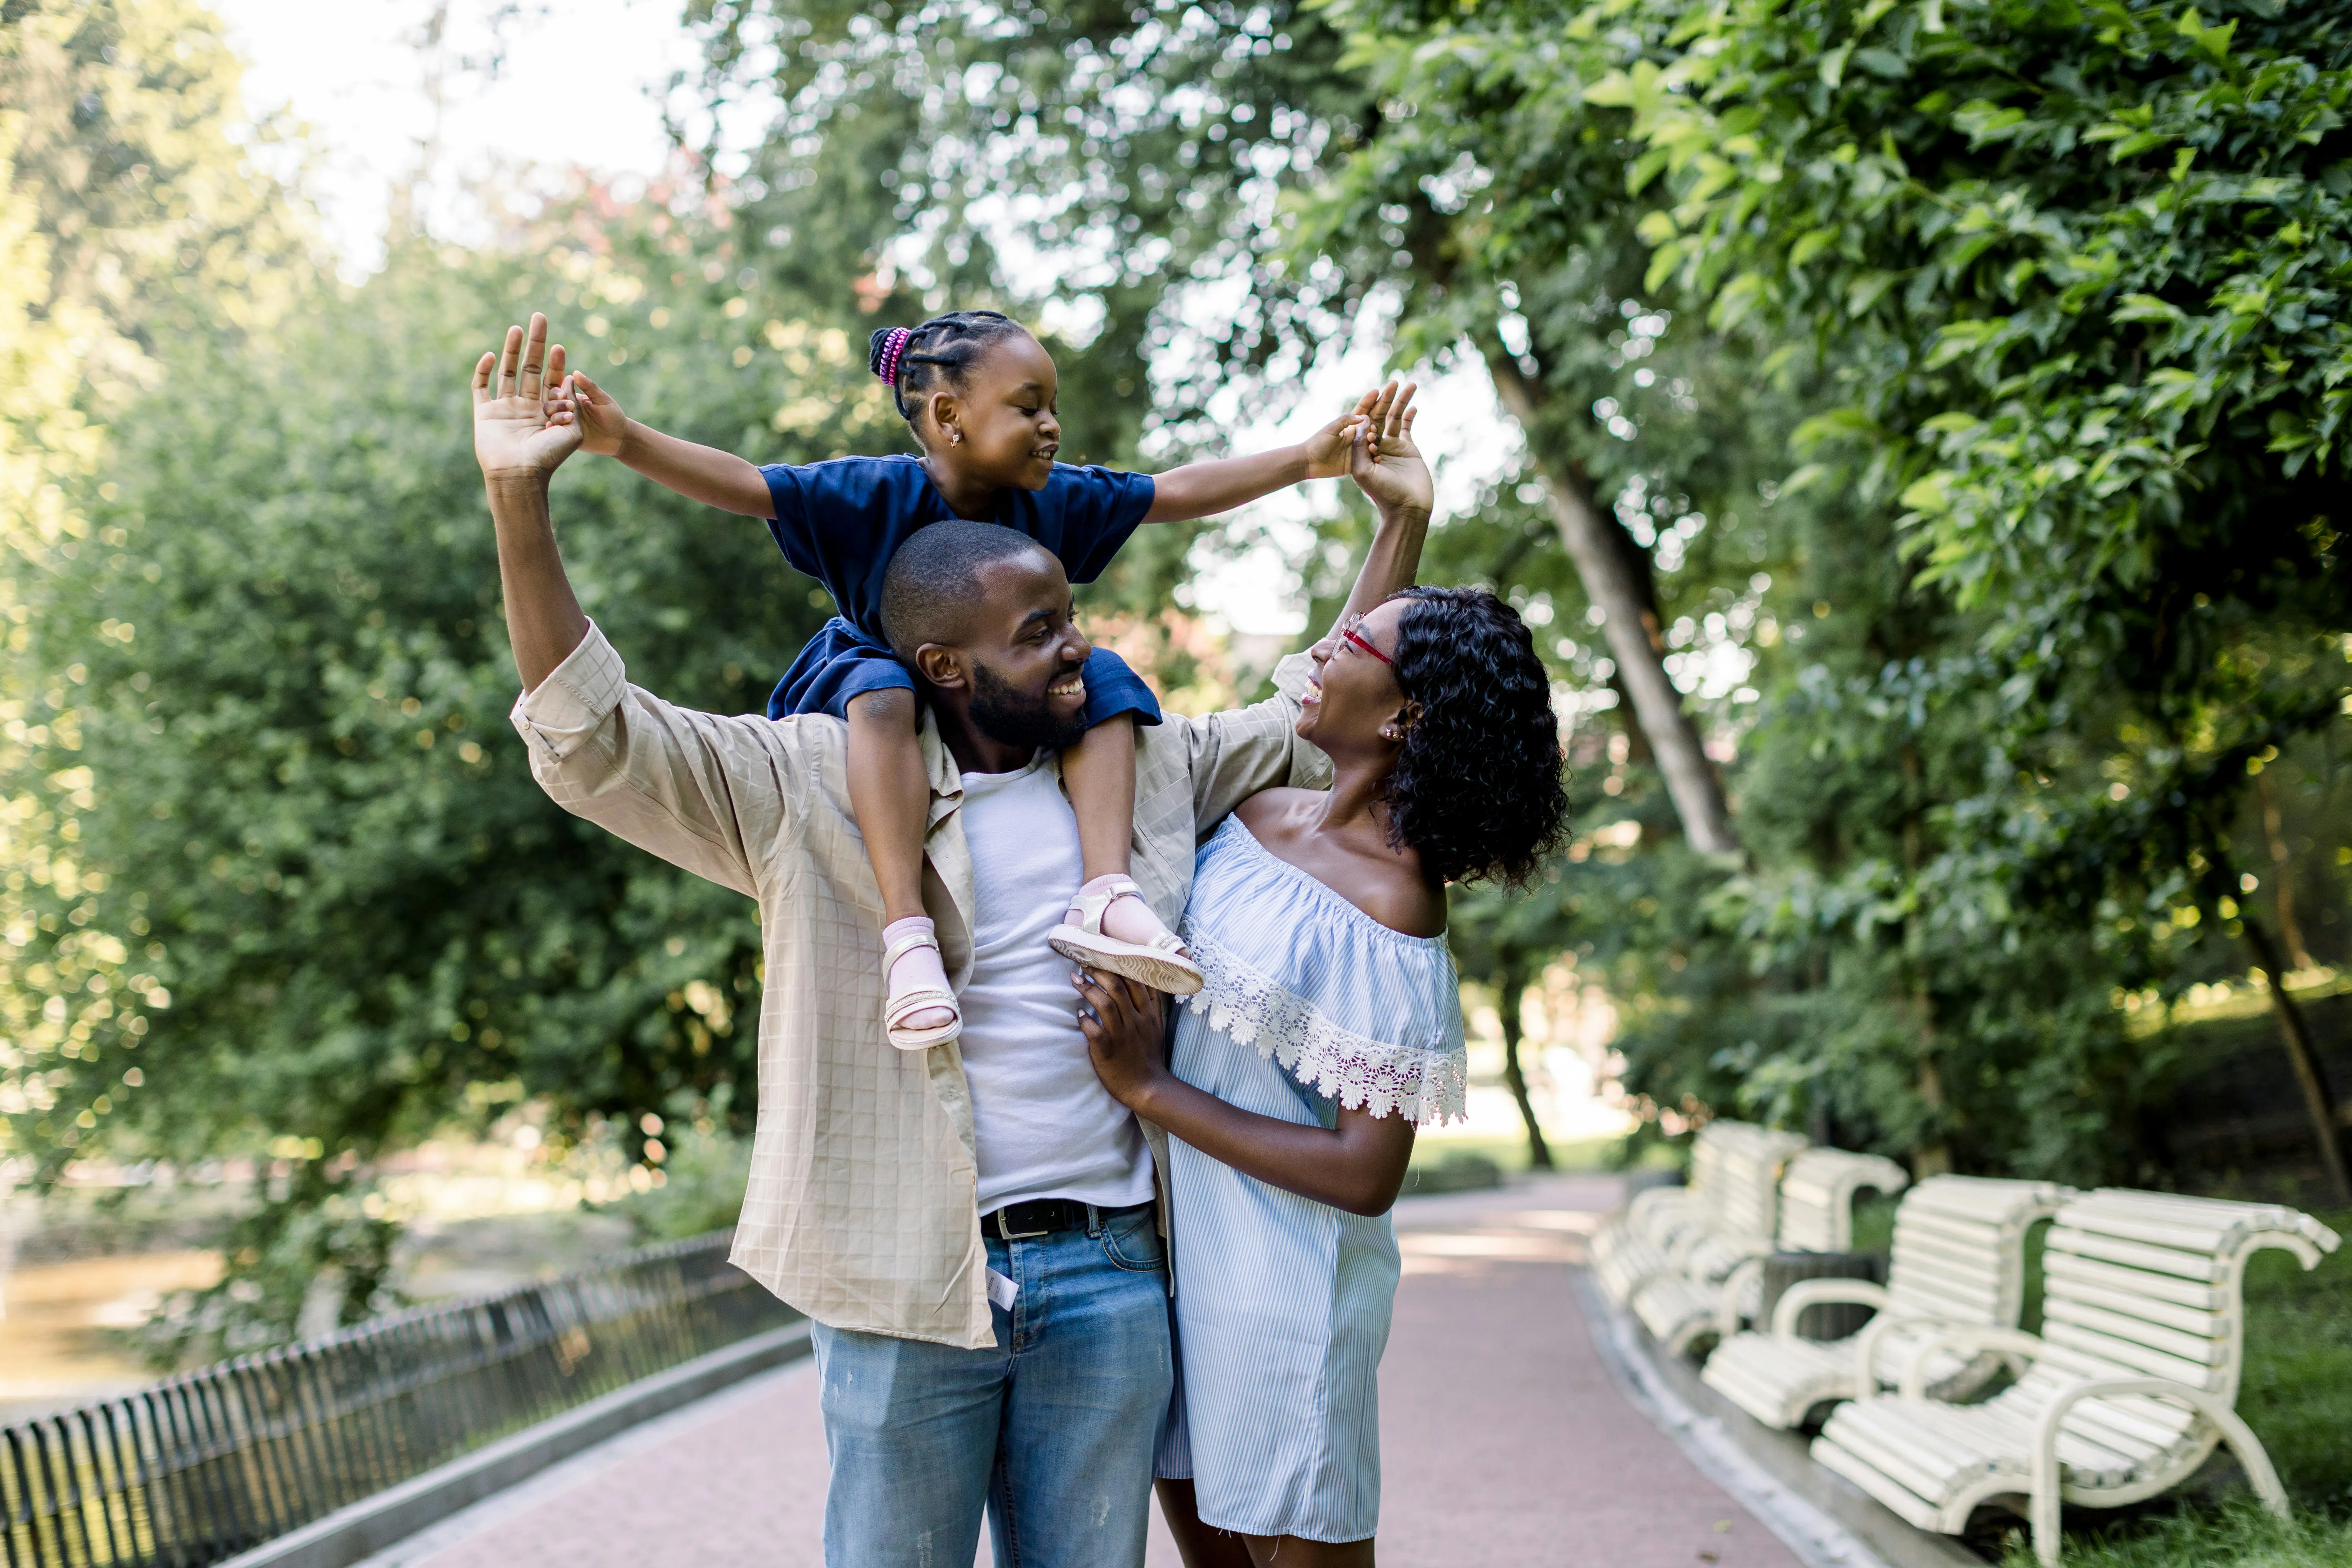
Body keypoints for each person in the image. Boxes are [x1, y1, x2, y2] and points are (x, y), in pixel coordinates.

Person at [471, 313, 1435, 1568]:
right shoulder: (813, 782)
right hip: (901, 1284)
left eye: (1067, 613)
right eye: (1038, 633)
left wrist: (1397, 521)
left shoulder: (1146, 766)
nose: (1080, 644)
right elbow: (591, 737)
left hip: (1108, 1277)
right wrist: (517, 501)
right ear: (944, 663)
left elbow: (1317, 710)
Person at [538, 311, 1382, 1053]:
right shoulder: (872, 491)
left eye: (1052, 405)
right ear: (948, 416)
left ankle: (1106, 890)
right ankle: (907, 933)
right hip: (875, 666)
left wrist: (1305, 461)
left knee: (1109, 679)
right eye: (1028, 407)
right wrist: (624, 440)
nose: (1051, 426)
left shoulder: (1048, 495)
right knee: (885, 694)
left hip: (1003, 697)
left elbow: (1175, 492)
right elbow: (747, 486)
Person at [1076, 579, 1570, 1565]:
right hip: (1187, 1282)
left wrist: (1151, 1091)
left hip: (1291, 1306)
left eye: (1354, 644)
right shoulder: (1254, 810)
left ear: (1403, 716)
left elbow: (1365, 1172)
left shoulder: (1393, 909)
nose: (1324, 651)